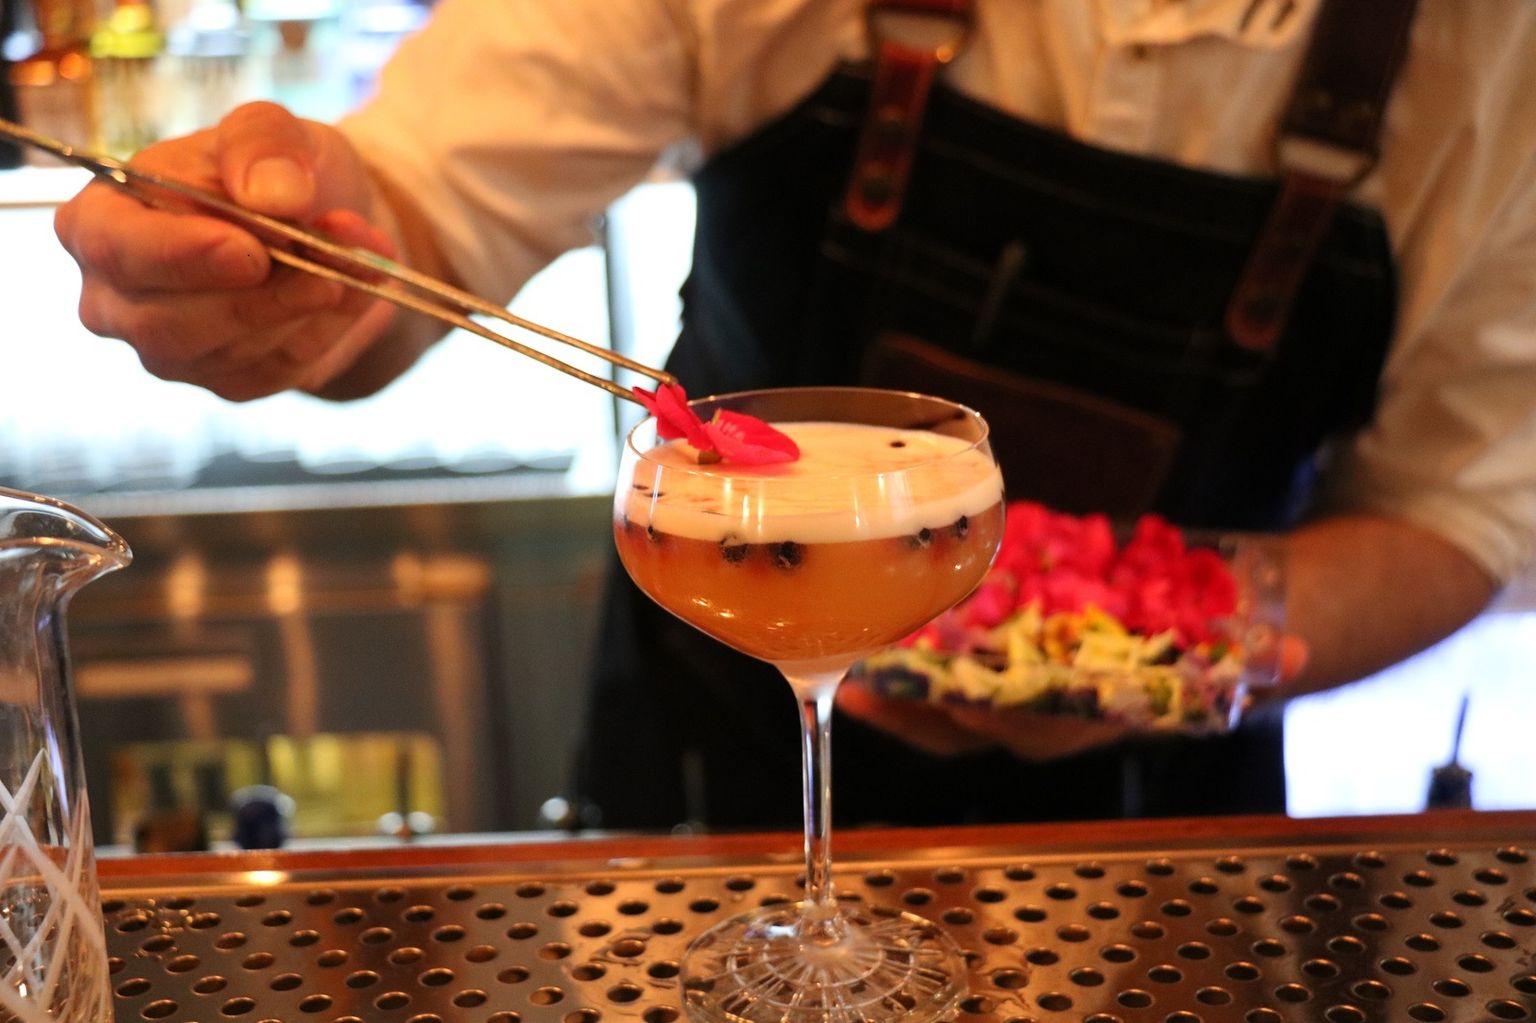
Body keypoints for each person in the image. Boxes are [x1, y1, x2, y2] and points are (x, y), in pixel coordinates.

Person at [53, 0, 1536, 828]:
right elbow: (425, 209)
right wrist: (300, 266)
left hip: (1157, 826)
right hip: (711, 769)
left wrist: (1174, 637)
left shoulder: (1491, 47)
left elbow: (1463, 505)